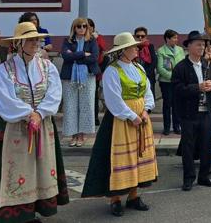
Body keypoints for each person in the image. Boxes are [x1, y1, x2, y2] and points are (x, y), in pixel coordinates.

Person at [0, 22, 68, 222]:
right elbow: (4, 98)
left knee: (39, 168)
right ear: (19, 43)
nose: (35, 43)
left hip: (42, 125)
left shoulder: (47, 66)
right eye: (30, 39)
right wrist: (27, 114)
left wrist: (40, 113)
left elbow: (55, 93)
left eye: (37, 39)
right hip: (13, 127)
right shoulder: (5, 69)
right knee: (17, 169)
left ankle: (32, 211)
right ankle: (16, 214)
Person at [82, 32, 157, 217]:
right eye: (133, 46)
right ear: (123, 51)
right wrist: (131, 116)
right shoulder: (112, 70)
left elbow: (147, 91)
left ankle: (133, 195)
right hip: (120, 120)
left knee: (137, 157)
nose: (136, 49)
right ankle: (115, 199)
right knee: (119, 158)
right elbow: (113, 99)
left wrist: (146, 110)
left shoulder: (139, 67)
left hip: (141, 118)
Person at [172, 30, 211, 191]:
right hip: (189, 114)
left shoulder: (207, 65)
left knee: (207, 146)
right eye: (198, 44)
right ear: (189, 46)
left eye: (203, 44)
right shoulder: (181, 67)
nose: (202, 47)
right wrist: (197, 87)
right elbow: (177, 90)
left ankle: (205, 176)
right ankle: (188, 178)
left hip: (206, 112)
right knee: (188, 148)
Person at [61, 18, 99, 148]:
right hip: (69, 76)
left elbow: (94, 57)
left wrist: (75, 56)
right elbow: (65, 56)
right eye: (78, 26)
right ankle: (73, 135)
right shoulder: (67, 41)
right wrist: (83, 53)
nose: (81, 28)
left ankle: (82, 135)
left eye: (84, 26)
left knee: (86, 105)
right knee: (70, 105)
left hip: (87, 77)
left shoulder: (92, 41)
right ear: (74, 28)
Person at [156, 29, 185, 135]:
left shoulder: (180, 50)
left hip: (178, 83)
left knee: (177, 104)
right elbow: (160, 68)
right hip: (166, 82)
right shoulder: (161, 51)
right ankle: (167, 127)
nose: (176, 40)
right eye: (174, 38)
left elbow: (183, 65)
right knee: (167, 105)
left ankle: (177, 126)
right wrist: (172, 77)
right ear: (167, 39)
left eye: (177, 38)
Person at [88, 18, 107, 126]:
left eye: (90, 26)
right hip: (84, 70)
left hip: (95, 70)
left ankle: (94, 117)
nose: (88, 28)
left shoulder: (98, 37)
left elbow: (103, 50)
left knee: (94, 95)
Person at [134, 27, 157, 100]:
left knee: (148, 100)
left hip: (148, 76)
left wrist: (145, 74)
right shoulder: (132, 47)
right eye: (138, 36)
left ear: (146, 37)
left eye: (142, 36)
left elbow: (154, 61)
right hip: (135, 77)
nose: (140, 38)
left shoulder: (150, 46)